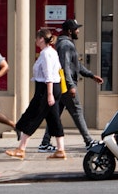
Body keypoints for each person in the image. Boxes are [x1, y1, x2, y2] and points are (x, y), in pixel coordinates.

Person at [38, 19, 103, 151]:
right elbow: (65, 67)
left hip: (62, 85)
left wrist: (91, 75)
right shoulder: (65, 45)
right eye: (76, 29)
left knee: (55, 114)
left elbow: (76, 66)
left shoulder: (66, 43)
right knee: (77, 112)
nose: (78, 31)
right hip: (65, 86)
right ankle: (89, 141)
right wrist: (71, 85)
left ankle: (45, 143)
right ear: (69, 31)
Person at [4, 28, 66, 160]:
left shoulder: (45, 54)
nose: (35, 40)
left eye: (37, 38)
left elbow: (49, 73)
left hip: (45, 88)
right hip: (53, 87)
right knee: (53, 118)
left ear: (42, 39)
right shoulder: (51, 52)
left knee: (33, 115)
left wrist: (49, 94)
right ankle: (60, 150)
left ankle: (21, 149)